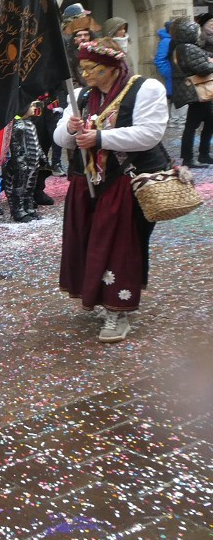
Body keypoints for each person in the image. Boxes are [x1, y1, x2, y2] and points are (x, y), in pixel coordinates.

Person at [54, 40, 169, 343]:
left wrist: (100, 137)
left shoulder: (146, 89)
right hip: (87, 183)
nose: (86, 74)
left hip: (126, 183)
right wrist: (70, 128)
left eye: (93, 68)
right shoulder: (80, 96)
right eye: (84, 68)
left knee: (120, 246)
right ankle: (99, 296)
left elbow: (150, 133)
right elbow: (59, 138)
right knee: (90, 243)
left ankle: (118, 310)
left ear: (113, 66)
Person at [170, 18, 213, 169]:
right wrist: (211, 63)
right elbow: (203, 68)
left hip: (197, 91)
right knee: (193, 125)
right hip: (198, 91)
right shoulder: (188, 47)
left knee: (208, 122)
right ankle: (189, 158)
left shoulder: (181, 47)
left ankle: (203, 154)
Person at [2, 103, 46, 222]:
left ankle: (29, 208)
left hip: (32, 163)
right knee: (19, 188)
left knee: (30, 186)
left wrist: (41, 155)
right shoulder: (17, 126)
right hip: (22, 164)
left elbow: (36, 142)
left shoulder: (30, 123)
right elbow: (16, 147)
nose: (34, 108)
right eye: (31, 106)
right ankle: (19, 210)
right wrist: (19, 162)